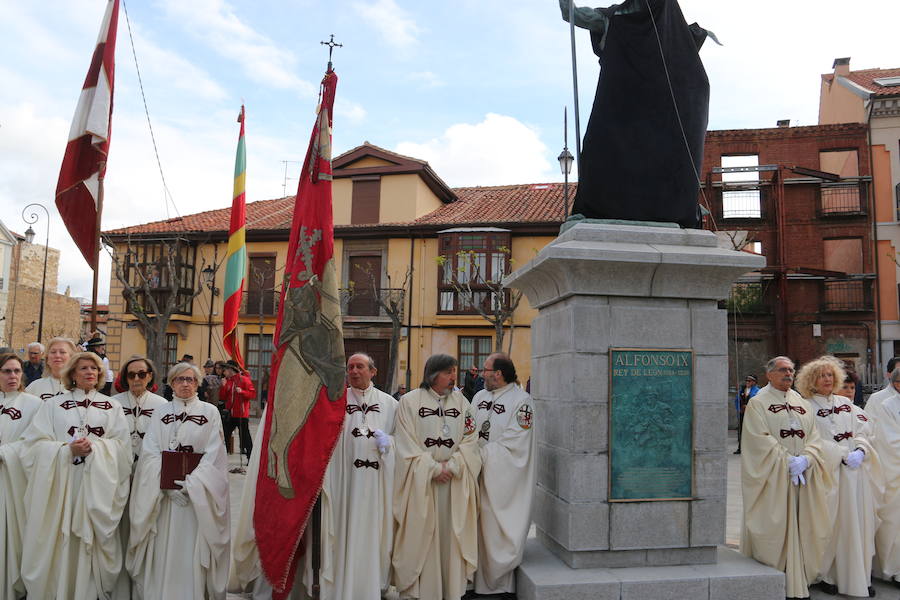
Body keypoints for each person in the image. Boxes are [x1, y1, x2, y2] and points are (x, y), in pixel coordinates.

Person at [558, 0, 715, 229]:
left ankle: (676, 206)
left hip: (660, 114)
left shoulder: (675, 33)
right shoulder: (616, 17)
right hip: (621, 107)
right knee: (600, 149)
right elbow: (570, 13)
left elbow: (570, 13)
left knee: (664, 157)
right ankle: (603, 209)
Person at [20, 351, 130, 600]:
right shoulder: (53, 405)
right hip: (62, 485)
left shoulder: (112, 406)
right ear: (72, 374)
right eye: (83, 368)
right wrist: (66, 451)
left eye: (94, 368)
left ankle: (90, 592)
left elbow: (123, 448)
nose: (90, 372)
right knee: (61, 538)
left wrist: (99, 448)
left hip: (97, 487)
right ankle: (60, 589)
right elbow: (34, 446)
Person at [297, 353, 398, 599]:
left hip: (375, 483)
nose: (354, 371)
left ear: (373, 372)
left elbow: (402, 442)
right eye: (350, 367)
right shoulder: (335, 402)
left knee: (371, 532)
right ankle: (338, 583)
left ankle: (368, 585)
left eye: (360, 367)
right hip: (343, 481)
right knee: (341, 529)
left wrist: (390, 444)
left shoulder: (389, 404)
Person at [740, 356, 840, 600]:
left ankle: (802, 577)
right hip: (776, 478)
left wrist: (806, 459)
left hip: (803, 477)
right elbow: (757, 439)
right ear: (770, 374)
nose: (789, 374)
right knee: (777, 527)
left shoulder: (800, 401)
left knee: (807, 525)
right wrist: (786, 461)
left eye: (791, 370)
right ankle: (775, 575)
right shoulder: (758, 402)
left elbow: (814, 436)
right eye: (783, 370)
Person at [127, 361, 230, 599]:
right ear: (171, 383)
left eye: (190, 379)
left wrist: (193, 484)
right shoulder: (160, 412)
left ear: (197, 384)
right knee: (164, 547)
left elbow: (214, 454)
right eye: (180, 379)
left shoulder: (210, 412)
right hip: (163, 498)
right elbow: (150, 451)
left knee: (189, 548)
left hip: (196, 499)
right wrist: (164, 485)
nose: (185, 384)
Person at [392, 354, 481, 600]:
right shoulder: (409, 402)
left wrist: (452, 466)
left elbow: (471, 440)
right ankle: (420, 592)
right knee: (421, 537)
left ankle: (451, 590)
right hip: (422, 485)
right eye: (448, 372)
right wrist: (431, 469)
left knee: (450, 539)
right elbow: (404, 443)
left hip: (453, 485)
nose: (453, 377)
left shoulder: (462, 403)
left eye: (454, 371)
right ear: (433, 375)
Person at [796, 356, 881, 598]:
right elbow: (809, 440)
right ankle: (827, 575)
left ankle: (859, 576)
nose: (827, 379)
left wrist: (861, 450)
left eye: (830, 375)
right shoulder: (805, 407)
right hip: (828, 475)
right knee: (831, 525)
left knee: (859, 525)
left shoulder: (847, 403)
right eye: (822, 375)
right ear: (812, 379)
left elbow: (866, 431)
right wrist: (840, 453)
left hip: (855, 475)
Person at [472, 353, 535, 597]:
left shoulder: (522, 402)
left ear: (498, 374)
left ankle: (496, 585)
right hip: (476, 475)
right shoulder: (479, 396)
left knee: (493, 529)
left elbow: (516, 443)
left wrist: (480, 456)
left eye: (485, 370)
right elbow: (467, 429)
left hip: (501, 479)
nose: (481, 374)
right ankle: (473, 582)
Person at [0, 353, 42, 599]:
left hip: (15, 481)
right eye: (6, 371)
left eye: (16, 371)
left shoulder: (33, 405)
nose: (13, 376)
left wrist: (5, 453)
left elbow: (35, 442)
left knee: (13, 540)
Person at [869, 368, 900, 590]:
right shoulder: (881, 402)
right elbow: (887, 441)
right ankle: (891, 570)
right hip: (893, 472)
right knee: (893, 521)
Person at [219, 359, 255, 461]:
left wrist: (242, 391)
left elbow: (252, 394)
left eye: (225, 369)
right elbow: (223, 397)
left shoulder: (244, 379)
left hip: (242, 414)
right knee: (225, 435)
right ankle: (222, 457)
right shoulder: (228, 381)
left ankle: (250, 458)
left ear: (231, 370)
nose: (224, 372)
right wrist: (223, 386)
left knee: (245, 437)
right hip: (230, 414)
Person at [25, 336, 78, 400]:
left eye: (62, 352)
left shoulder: (80, 386)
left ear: (72, 358)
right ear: (47, 359)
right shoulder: (34, 387)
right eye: (53, 352)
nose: (57, 355)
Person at [734, 374, 759, 454]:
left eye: (749, 381)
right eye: (746, 380)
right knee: (741, 430)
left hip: (752, 414)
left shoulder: (758, 391)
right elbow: (736, 400)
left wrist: (748, 407)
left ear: (754, 382)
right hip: (742, 413)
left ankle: (751, 449)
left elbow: (758, 403)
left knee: (751, 431)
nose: (747, 382)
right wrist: (739, 409)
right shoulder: (742, 390)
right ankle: (740, 448)